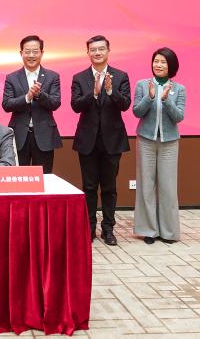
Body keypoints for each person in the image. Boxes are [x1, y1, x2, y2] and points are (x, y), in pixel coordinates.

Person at [71, 35, 131, 246]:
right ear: (87, 52)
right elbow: (75, 105)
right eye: (93, 49)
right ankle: (89, 228)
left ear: (108, 51)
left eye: (101, 49)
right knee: (88, 187)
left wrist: (111, 91)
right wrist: (93, 93)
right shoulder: (79, 78)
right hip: (87, 141)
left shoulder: (120, 76)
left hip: (112, 141)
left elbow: (125, 105)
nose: (97, 53)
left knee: (109, 187)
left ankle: (108, 229)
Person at [132, 47, 186, 244]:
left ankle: (169, 232)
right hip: (146, 140)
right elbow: (137, 112)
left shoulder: (179, 89)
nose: (159, 65)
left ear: (171, 66)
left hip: (169, 142)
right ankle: (148, 230)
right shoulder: (142, 85)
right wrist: (151, 97)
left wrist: (166, 100)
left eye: (163, 62)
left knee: (168, 187)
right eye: (156, 61)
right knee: (146, 185)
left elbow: (179, 117)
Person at [2, 35, 62, 173]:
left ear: (42, 52)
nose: (31, 55)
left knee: (44, 177)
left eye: (35, 51)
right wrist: (27, 97)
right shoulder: (12, 77)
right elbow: (6, 104)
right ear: (21, 53)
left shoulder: (52, 76)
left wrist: (40, 95)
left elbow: (55, 103)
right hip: (19, 135)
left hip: (44, 135)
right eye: (27, 51)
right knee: (18, 177)